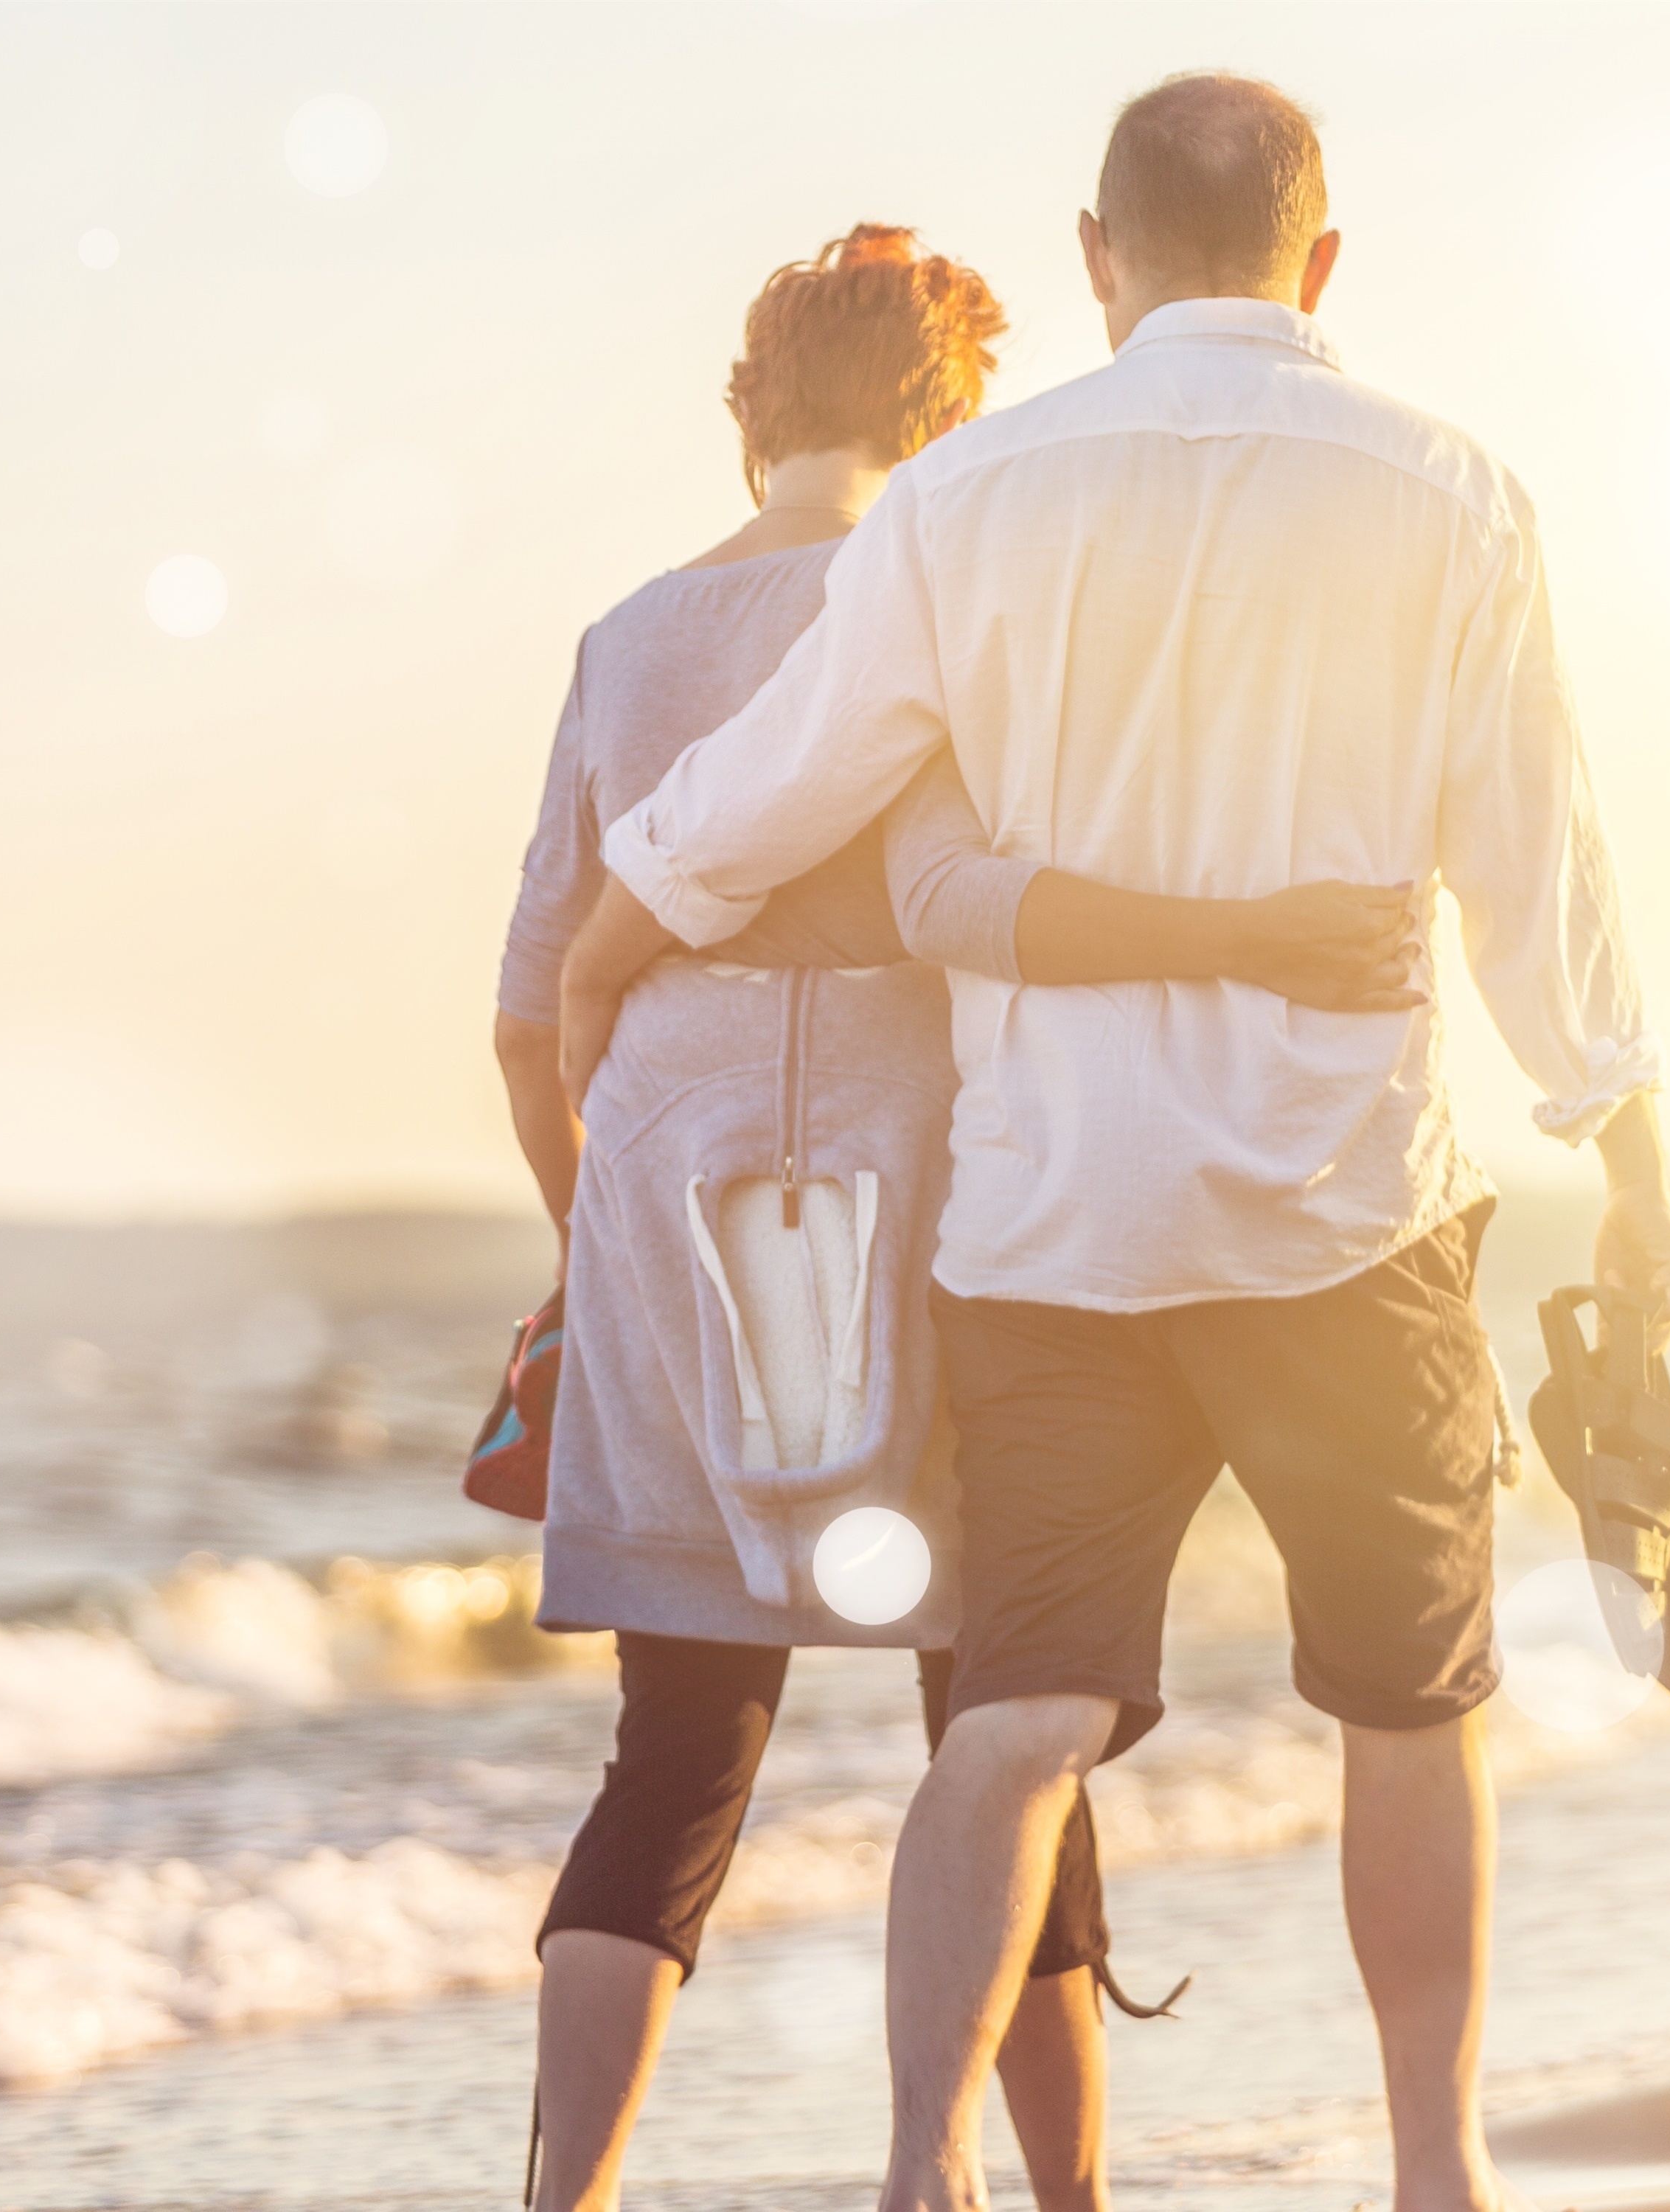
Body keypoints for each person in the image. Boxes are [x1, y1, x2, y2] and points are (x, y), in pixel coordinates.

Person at [560, 76, 1670, 2212]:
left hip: (1053, 1226)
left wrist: (624, 933)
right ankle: (1436, 2172)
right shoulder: (1452, 492)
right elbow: (1539, 864)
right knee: (1405, 1699)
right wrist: (1623, 1144)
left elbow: (779, 790)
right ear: (1325, 262)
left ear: (1098, 256)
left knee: (1021, 1713)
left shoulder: (964, 502)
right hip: (1344, 1213)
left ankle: (921, 2175)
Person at [492, 223, 1421, 2212]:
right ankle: (1057, 2195)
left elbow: (525, 1019)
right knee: (999, 1703)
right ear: (954, 408)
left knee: (677, 1751)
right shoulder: (971, 593)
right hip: (928, 1160)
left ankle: (556, 2200)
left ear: (752, 408)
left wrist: (594, 1260)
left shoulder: (626, 640)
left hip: (670, 1162)